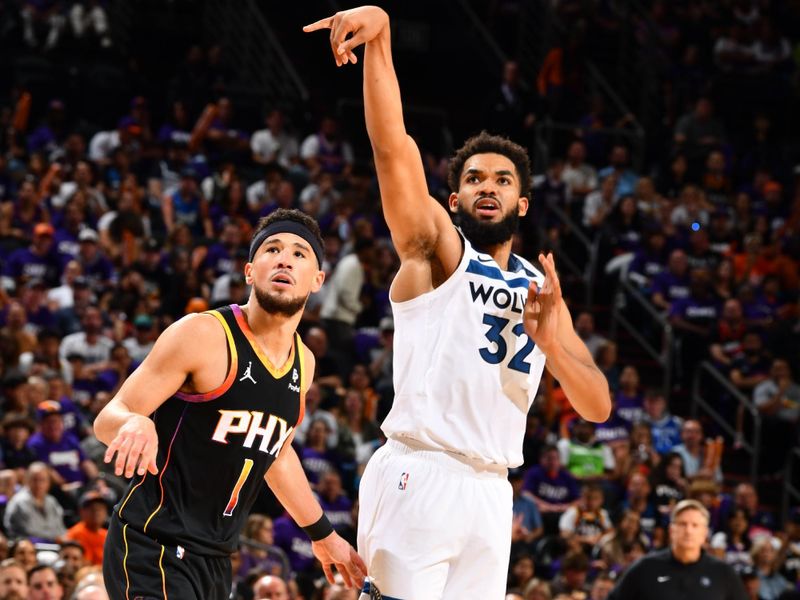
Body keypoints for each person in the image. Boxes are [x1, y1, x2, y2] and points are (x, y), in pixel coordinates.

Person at [304, 8, 611, 599]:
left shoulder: (541, 291)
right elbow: (393, 147)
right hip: (421, 472)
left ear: (522, 204)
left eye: (502, 180)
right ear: (454, 196)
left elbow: (596, 405)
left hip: (493, 491)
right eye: (474, 179)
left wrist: (554, 347)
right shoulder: (439, 252)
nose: (487, 187)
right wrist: (383, 38)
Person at [94, 209, 366, 599]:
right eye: (272, 248)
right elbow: (108, 419)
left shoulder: (303, 363)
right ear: (250, 271)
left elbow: (278, 453)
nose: (285, 258)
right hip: (153, 543)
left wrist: (323, 535)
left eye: (300, 253)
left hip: (217, 558)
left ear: (318, 280)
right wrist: (135, 423)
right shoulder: (202, 334)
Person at [609, 499, 748, 599]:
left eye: (695, 525)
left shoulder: (723, 573)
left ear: (705, 533)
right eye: (682, 524)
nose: (688, 531)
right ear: (671, 530)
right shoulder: (645, 567)